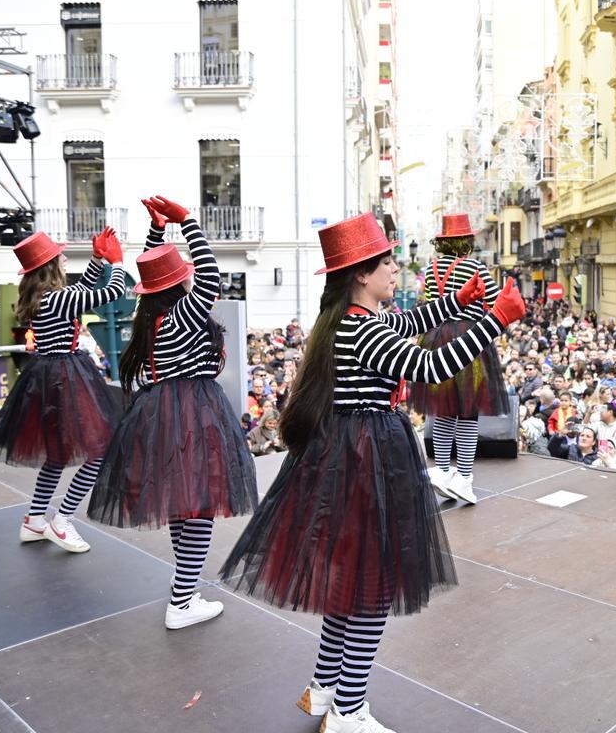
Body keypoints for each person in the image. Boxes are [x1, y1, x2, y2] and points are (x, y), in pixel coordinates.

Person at [220, 212, 525, 733]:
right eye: (386, 261)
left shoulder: (350, 321)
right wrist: (496, 318)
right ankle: (349, 710)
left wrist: (459, 302)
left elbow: (409, 326)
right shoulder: (363, 329)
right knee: (372, 587)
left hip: (347, 455)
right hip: (367, 458)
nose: (394, 268)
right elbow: (431, 366)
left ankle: (323, 692)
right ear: (361, 274)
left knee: (351, 579)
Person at [87, 197, 257, 629]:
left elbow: (154, 267)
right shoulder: (183, 313)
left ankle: (185, 593)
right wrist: (189, 223)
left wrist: (159, 234)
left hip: (161, 413)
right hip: (193, 413)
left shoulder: (152, 320)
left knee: (184, 505)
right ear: (178, 284)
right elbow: (211, 276)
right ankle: (182, 601)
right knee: (198, 506)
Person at [0, 228, 126, 554]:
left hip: (49, 377)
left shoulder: (45, 297)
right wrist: (116, 263)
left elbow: (82, 289)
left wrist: (97, 259)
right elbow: (111, 292)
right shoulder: (59, 298)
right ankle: (62, 520)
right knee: (97, 452)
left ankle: (35, 519)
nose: (64, 257)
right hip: (66, 379)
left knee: (59, 454)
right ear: (50, 265)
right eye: (60, 255)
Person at [410, 214, 508, 506]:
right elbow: (495, 300)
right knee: (467, 412)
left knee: (443, 410)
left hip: (436, 338)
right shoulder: (475, 267)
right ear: (466, 241)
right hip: (468, 341)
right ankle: (464, 478)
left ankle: (441, 471)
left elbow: (431, 303)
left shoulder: (430, 269)